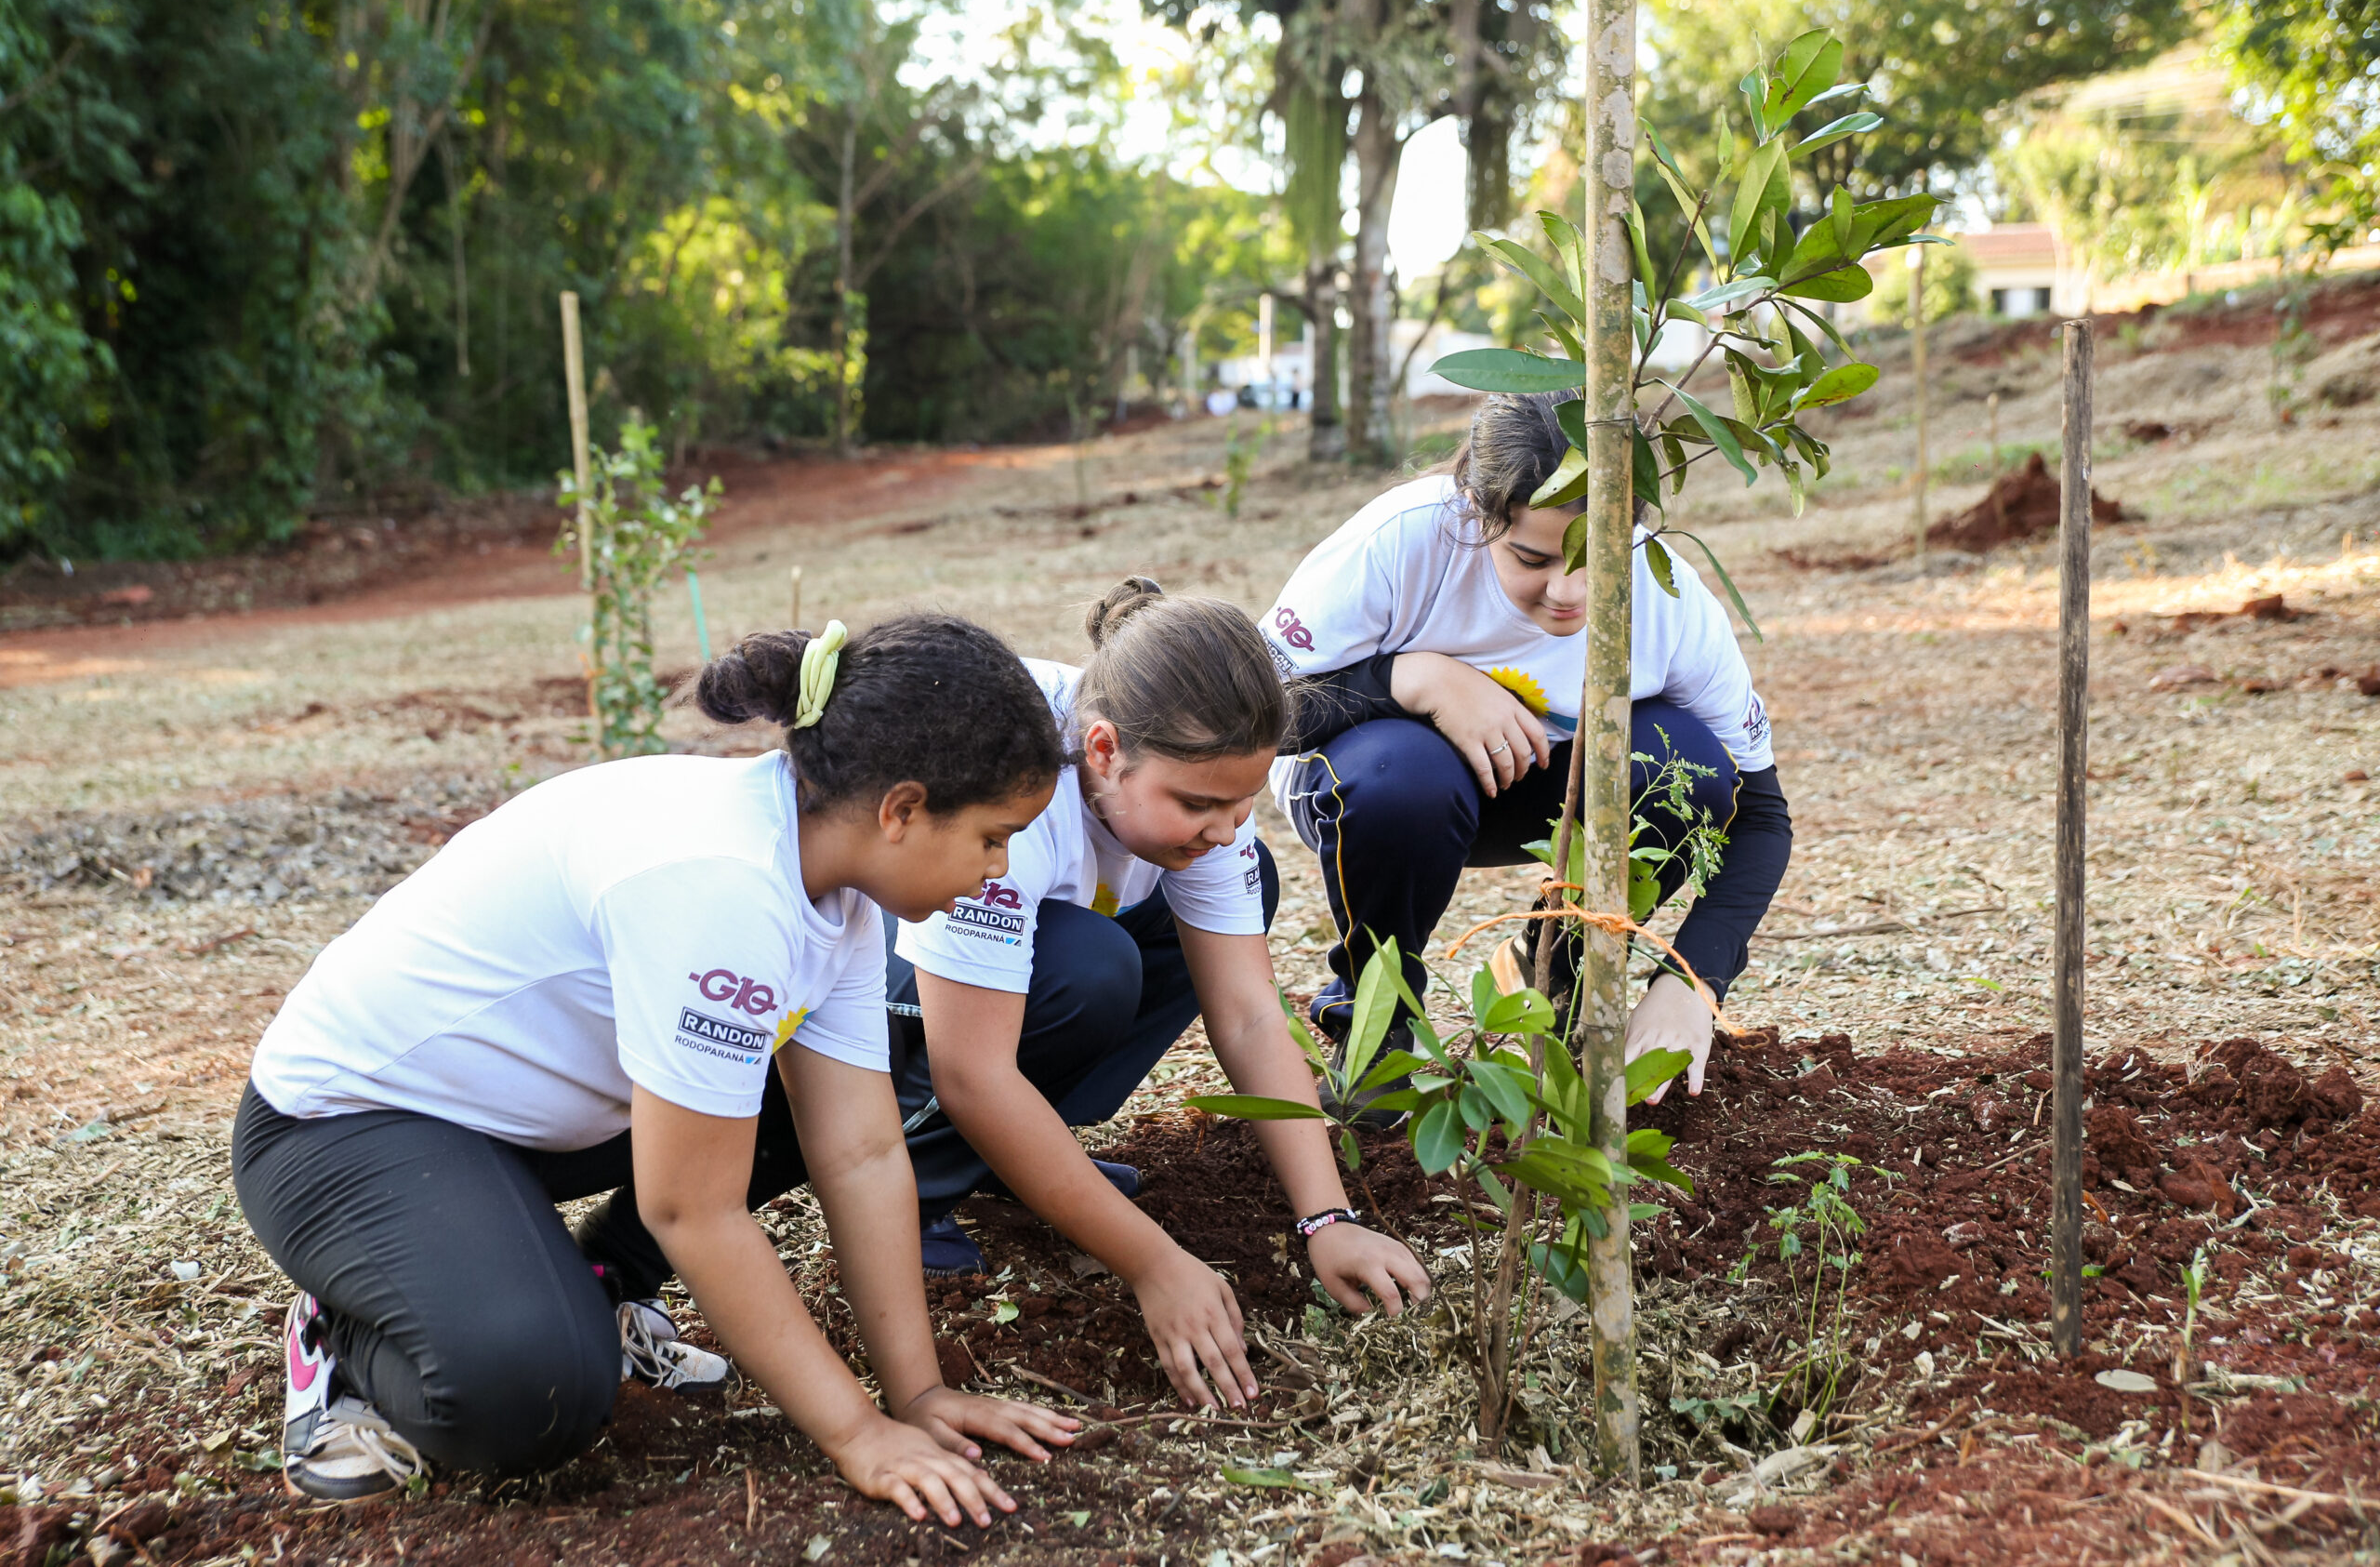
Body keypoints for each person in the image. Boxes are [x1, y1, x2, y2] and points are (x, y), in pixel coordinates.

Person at [235, 616, 1079, 1521]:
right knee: (533, 1394)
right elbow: (694, 1207)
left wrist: (916, 1399)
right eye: (994, 837)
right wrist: (856, 1433)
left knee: (810, 1100)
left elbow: (861, 1150)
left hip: (508, 1122)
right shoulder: (719, 885)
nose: (1000, 871)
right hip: (341, 1133)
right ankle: (349, 1335)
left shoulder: (838, 893)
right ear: (902, 809)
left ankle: (578, 1284)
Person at [889, 578, 1433, 1412]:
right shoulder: (1008, 788)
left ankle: (1014, 1159)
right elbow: (972, 1070)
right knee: (1091, 966)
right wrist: (1153, 1262)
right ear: (1102, 751)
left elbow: (1249, 1012)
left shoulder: (1192, 774)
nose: (1223, 827)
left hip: (1021, 968)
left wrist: (1328, 1218)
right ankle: (917, 1186)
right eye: (1199, 804)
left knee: (1231, 903)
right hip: (881, 981)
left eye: (1241, 803)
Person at [1261, 390, 1793, 1110]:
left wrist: (1692, 980)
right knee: (1404, 777)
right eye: (1532, 557)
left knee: (1687, 766)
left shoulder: (1669, 599)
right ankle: (1376, 1034)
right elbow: (1253, 714)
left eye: (1597, 556)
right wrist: (1411, 677)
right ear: (1479, 514)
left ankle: (1552, 971)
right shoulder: (1403, 540)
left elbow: (1758, 814)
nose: (1567, 591)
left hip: (1544, 787)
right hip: (1369, 783)